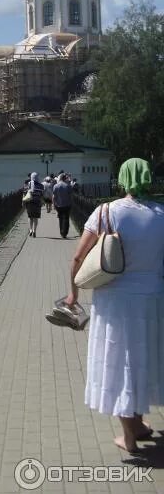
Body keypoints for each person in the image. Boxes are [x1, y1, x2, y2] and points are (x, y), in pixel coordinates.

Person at [64, 158, 164, 454]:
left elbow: (79, 258)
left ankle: (129, 437)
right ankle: (140, 423)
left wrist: (73, 294)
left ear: (122, 179)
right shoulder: (161, 214)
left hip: (116, 301)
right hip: (153, 300)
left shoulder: (107, 212)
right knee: (143, 360)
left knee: (122, 363)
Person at [23, 171, 44, 237]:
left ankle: (30, 230)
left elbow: (24, 193)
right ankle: (34, 231)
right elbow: (41, 195)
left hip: (29, 202)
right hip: (37, 202)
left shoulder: (27, 184)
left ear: (31, 177)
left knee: (30, 217)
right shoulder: (41, 185)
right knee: (36, 218)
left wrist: (23, 202)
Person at [53, 173, 73, 238]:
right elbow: (70, 195)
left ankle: (61, 232)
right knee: (66, 219)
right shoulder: (67, 186)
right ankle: (65, 233)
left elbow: (54, 196)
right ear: (65, 179)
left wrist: (54, 204)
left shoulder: (55, 186)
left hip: (58, 205)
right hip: (67, 204)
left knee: (60, 218)